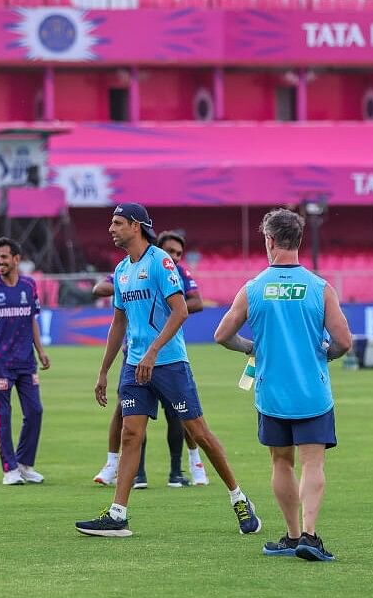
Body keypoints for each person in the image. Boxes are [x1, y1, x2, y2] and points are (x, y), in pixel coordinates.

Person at [75, 203, 261, 538]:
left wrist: (153, 351)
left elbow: (180, 312)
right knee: (131, 434)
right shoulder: (120, 271)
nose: (110, 229)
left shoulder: (160, 261)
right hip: (135, 367)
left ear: (135, 226)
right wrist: (103, 371)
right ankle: (118, 515)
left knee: (200, 434)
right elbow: (118, 324)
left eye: (117, 223)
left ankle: (239, 498)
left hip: (170, 364)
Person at [213, 208, 353, 562]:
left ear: (270, 241)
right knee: (313, 463)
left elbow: (222, 335)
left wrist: (251, 348)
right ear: (298, 240)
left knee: (281, 463)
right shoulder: (320, 288)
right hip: (312, 390)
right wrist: (325, 355)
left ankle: (292, 536)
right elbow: (344, 342)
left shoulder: (254, 288)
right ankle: (309, 533)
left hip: (271, 392)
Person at [91, 229, 210, 489]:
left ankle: (191, 466)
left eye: (179, 254)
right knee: (127, 414)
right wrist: (127, 283)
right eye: (171, 251)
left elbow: (191, 305)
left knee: (184, 418)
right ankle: (126, 471)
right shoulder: (131, 267)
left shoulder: (170, 269)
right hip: (133, 355)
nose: (175, 257)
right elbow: (102, 293)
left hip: (167, 355)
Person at [0, 237, 51, 486]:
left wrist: (40, 351)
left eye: (4, 257)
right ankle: (10, 470)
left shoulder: (29, 285)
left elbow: (32, 320)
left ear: (17, 259)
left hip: (26, 361)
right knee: (3, 416)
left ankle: (25, 464)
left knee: (35, 411)